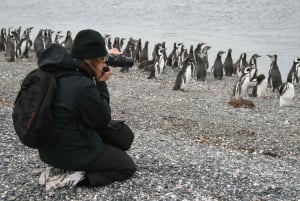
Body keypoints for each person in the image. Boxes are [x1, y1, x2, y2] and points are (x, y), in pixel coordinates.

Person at [37, 29, 137, 190]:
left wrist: (102, 54)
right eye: (103, 59)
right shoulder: (81, 85)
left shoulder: (60, 68)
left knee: (122, 137)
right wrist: (101, 83)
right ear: (93, 59)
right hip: (68, 152)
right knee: (126, 166)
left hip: (48, 150)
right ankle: (73, 177)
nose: (105, 63)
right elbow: (102, 118)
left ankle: (61, 166)